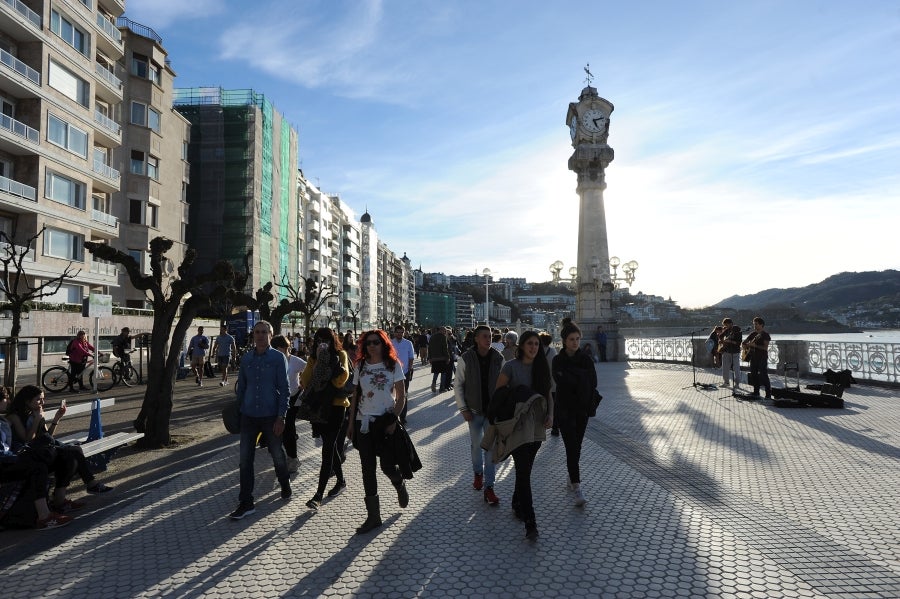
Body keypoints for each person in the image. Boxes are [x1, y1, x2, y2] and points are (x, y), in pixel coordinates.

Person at [489, 330, 553, 541]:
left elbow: (548, 395)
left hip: (536, 425)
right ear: (522, 346)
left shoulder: (542, 367)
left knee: (524, 470)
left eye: (536, 344)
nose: (534, 347)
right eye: (530, 344)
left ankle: (517, 503)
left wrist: (551, 415)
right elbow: (499, 394)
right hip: (517, 426)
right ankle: (530, 522)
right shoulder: (511, 367)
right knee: (524, 472)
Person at [6, 385, 113, 511]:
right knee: (74, 452)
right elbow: (27, 440)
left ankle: (62, 500)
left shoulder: (36, 412)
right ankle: (88, 485)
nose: (42, 402)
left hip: (45, 448)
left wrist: (57, 418)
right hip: (30, 454)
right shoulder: (15, 416)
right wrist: (37, 420)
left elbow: (48, 435)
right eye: (38, 399)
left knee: (72, 457)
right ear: (27, 400)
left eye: (43, 399)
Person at [348, 329, 408, 534]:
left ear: (384, 344)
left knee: (387, 466)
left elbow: (401, 397)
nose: (371, 346)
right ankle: (374, 516)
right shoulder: (360, 366)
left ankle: (398, 483)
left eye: (376, 342)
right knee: (367, 468)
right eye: (368, 343)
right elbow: (355, 395)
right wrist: (350, 423)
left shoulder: (393, 366)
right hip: (363, 422)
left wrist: (394, 419)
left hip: (385, 422)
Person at [230, 320, 291, 520]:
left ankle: (284, 480)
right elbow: (242, 388)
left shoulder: (278, 358)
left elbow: (285, 389)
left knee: (277, 454)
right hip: (248, 415)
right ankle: (246, 502)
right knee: (245, 460)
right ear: (253, 335)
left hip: (271, 415)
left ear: (271, 335)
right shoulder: (247, 358)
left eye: (264, 332)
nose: (260, 335)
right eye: (257, 332)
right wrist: (238, 412)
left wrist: (281, 416)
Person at [0, 387, 72, 529]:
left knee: (64, 455)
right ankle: (44, 516)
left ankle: (49, 510)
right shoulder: (9, 418)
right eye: (5, 398)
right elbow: (12, 447)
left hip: (10, 459)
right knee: (37, 466)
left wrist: (55, 418)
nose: (8, 401)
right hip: (4, 463)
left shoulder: (3, 420)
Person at [300, 328, 351, 512]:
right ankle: (341, 481)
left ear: (333, 340)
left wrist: (328, 362)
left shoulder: (341, 354)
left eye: (327, 339)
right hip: (318, 408)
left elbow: (340, 380)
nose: (323, 343)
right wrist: (316, 363)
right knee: (330, 447)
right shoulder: (313, 358)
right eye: (319, 340)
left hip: (336, 407)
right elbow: (305, 381)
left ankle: (318, 496)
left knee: (328, 449)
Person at [454, 325, 504, 505]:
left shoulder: (498, 358)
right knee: (476, 447)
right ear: (476, 338)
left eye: (490, 336)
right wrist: (463, 409)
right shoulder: (466, 358)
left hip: (492, 413)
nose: (488, 339)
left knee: (490, 450)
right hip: (474, 412)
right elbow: (458, 384)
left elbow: (504, 386)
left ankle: (489, 487)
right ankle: (478, 473)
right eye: (484, 336)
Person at [552, 321, 597, 507]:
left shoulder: (586, 359)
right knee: (571, 446)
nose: (575, 342)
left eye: (578, 339)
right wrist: (580, 379)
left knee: (576, 446)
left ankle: (571, 476)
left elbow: (593, 382)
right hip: (564, 409)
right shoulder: (557, 360)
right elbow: (561, 381)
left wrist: (574, 378)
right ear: (564, 341)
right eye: (571, 339)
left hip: (582, 409)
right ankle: (577, 486)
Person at [272, 335, 307, 474]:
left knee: (289, 428)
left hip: (292, 399)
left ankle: (293, 458)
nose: (286, 350)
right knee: (278, 430)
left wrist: (303, 384)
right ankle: (283, 456)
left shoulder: (295, 361)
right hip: (276, 399)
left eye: (286, 348)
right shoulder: (272, 361)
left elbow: (309, 370)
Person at [391, 326, 416, 424]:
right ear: (394, 332)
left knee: (403, 395)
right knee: (392, 394)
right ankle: (393, 415)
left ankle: (402, 416)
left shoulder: (408, 343)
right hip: (392, 373)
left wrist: (409, 369)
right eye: (398, 332)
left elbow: (411, 357)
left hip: (404, 372)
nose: (399, 334)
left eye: (401, 332)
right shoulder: (390, 343)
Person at [742, 317, 772, 399]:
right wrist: (745, 346)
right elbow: (744, 342)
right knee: (753, 374)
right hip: (753, 356)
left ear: (761, 325)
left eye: (756, 324)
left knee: (763, 375)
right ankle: (756, 392)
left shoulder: (765, 335)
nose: (754, 326)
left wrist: (755, 345)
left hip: (762, 357)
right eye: (754, 324)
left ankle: (768, 394)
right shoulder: (752, 334)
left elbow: (765, 347)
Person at [717, 318, 743, 391]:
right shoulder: (727, 330)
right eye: (725, 325)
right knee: (725, 367)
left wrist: (730, 341)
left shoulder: (737, 330)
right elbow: (720, 336)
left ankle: (737, 384)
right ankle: (726, 382)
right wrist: (721, 341)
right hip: (726, 351)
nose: (726, 326)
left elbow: (738, 343)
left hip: (735, 351)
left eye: (727, 324)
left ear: (731, 323)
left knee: (736, 368)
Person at [428, 326, 452, 393]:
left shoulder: (432, 337)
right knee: (443, 373)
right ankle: (442, 388)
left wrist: (430, 358)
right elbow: (445, 348)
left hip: (434, 359)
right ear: (441, 330)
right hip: (442, 358)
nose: (445, 332)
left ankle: (433, 383)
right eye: (444, 331)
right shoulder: (443, 337)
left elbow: (429, 348)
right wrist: (448, 357)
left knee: (436, 372)